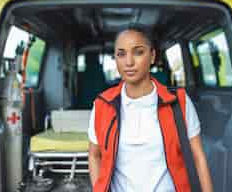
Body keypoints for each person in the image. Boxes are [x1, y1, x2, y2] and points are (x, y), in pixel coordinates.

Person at [88, 25, 213, 192]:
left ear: (152, 56)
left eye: (138, 52)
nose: (129, 62)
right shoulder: (102, 104)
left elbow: (198, 158)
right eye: (121, 54)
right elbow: (94, 155)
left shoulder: (179, 101)